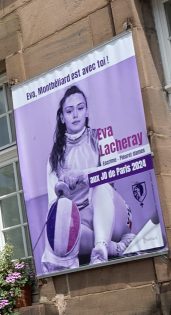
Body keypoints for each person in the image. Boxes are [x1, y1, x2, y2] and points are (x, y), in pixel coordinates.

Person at [43, 85, 134, 270]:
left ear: (86, 111)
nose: (75, 114)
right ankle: (113, 247)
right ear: (62, 117)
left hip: (109, 212)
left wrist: (83, 175)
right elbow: (54, 204)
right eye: (69, 111)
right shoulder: (54, 158)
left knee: (101, 186)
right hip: (81, 223)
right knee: (59, 234)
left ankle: (101, 246)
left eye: (80, 108)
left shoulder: (102, 138)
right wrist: (63, 195)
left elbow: (112, 174)